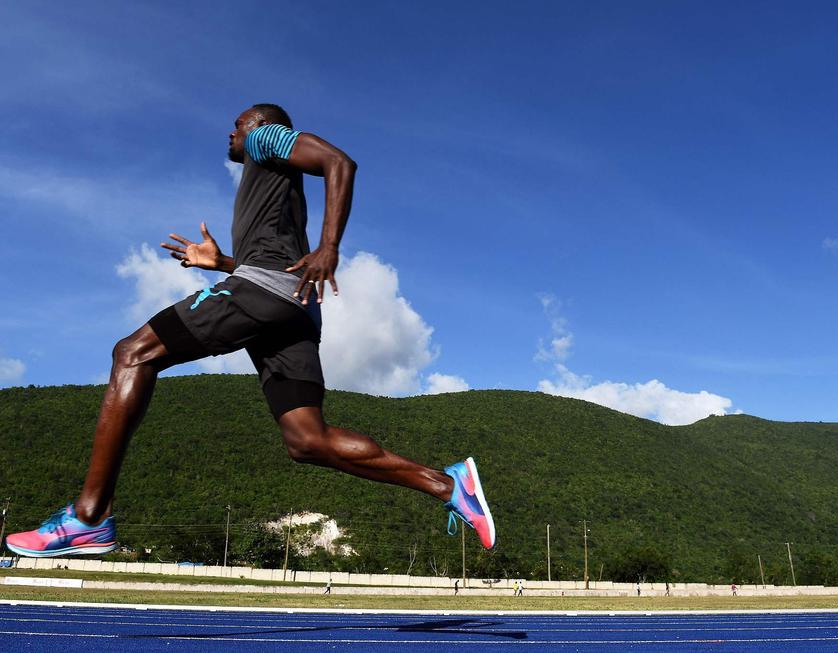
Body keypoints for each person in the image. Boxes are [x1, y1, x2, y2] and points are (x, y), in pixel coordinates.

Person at [5, 103, 496, 558]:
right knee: (308, 440)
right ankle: (448, 485)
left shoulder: (267, 138)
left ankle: (89, 515)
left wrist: (330, 246)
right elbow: (274, 259)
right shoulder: (269, 188)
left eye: (237, 124)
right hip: (291, 306)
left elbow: (339, 163)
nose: (231, 132)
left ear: (258, 126)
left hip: (268, 292)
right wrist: (222, 263)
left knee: (133, 353)